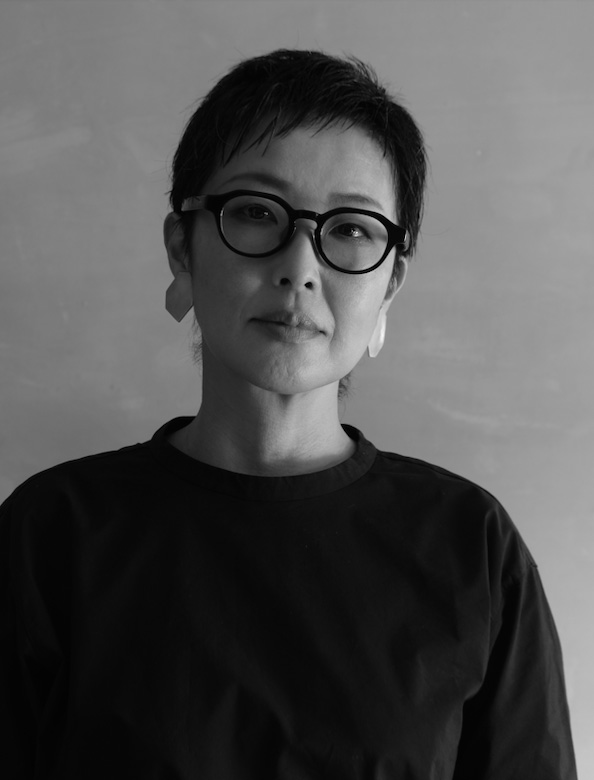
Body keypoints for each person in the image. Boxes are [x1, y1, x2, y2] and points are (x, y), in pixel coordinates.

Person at [1, 49, 577, 779]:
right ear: (182, 249)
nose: (299, 268)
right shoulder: (50, 533)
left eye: (351, 229)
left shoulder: (473, 547)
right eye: (256, 213)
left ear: (390, 285)